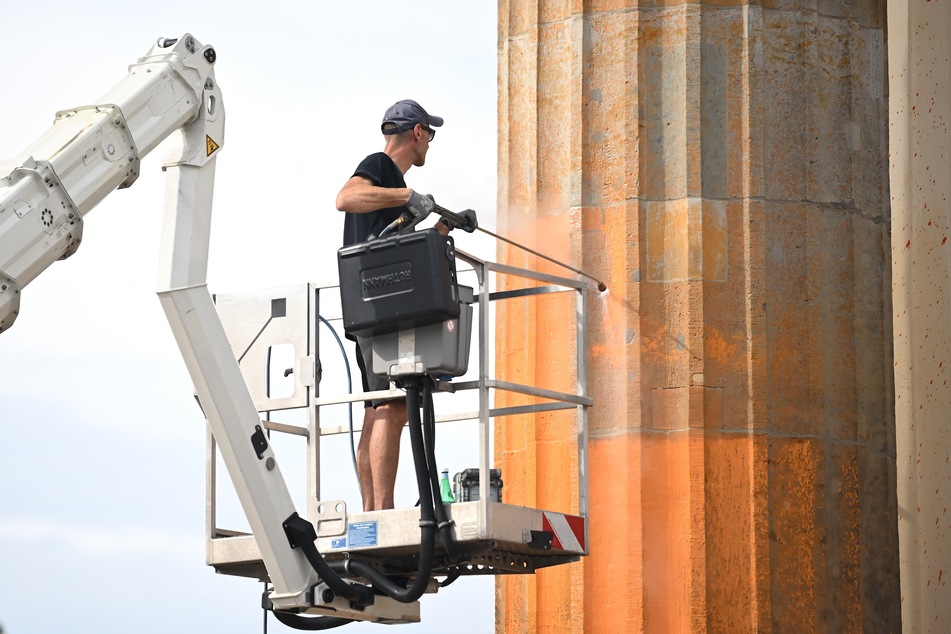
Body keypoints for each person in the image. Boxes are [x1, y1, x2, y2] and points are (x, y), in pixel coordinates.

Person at [335, 99, 474, 512]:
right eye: (429, 134)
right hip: (379, 307)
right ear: (417, 132)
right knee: (393, 409)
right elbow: (345, 198)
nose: (430, 142)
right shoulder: (380, 167)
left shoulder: (391, 190)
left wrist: (442, 228)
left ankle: (372, 510)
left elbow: (393, 239)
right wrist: (408, 194)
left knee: (377, 408)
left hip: (375, 305)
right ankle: (381, 512)